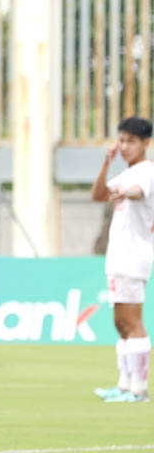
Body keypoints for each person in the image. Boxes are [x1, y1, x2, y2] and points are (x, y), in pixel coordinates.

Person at [91, 116, 154, 404]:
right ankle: (125, 384)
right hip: (119, 257)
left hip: (134, 255)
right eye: (122, 140)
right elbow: (98, 195)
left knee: (132, 320)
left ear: (146, 143)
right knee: (120, 322)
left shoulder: (146, 172)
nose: (125, 146)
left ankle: (138, 388)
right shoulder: (127, 173)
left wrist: (126, 193)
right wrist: (107, 164)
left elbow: (139, 192)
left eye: (131, 141)